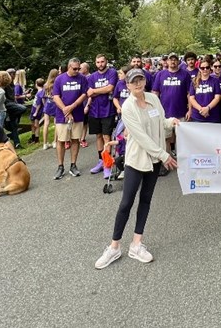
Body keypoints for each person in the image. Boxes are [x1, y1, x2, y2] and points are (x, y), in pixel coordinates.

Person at [94, 68, 179, 269]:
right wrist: (165, 155)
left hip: (154, 160)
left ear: (145, 81)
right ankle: (114, 247)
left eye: (140, 79)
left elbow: (161, 122)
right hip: (136, 160)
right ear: (128, 85)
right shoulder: (128, 107)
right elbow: (141, 137)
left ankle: (136, 244)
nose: (138, 84)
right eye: (134, 81)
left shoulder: (153, 99)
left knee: (146, 200)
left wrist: (172, 122)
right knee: (126, 202)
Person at [52, 58, 89, 180]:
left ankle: (73, 165)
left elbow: (84, 94)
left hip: (77, 114)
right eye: (75, 69)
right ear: (69, 67)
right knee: (61, 140)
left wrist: (72, 106)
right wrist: (65, 110)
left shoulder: (82, 78)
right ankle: (60, 166)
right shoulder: (59, 79)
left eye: (79, 68)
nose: (77, 71)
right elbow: (56, 96)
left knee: (75, 139)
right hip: (62, 115)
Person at [86, 54, 118, 175]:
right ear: (95, 63)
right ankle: (101, 160)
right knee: (98, 136)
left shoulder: (112, 73)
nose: (100, 64)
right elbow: (89, 93)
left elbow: (110, 88)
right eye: (98, 62)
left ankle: (107, 165)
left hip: (108, 110)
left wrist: (95, 91)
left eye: (102, 61)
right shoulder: (92, 77)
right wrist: (101, 90)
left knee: (106, 137)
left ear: (106, 62)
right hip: (94, 110)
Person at [188, 58, 221, 123]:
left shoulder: (215, 81)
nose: (205, 69)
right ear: (199, 69)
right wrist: (201, 109)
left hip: (212, 116)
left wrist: (208, 108)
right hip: (197, 116)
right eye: (202, 68)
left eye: (207, 67)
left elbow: (217, 98)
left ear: (210, 68)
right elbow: (191, 98)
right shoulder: (194, 81)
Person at [41, 69, 59, 150]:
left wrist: (45, 105)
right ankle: (55, 142)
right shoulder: (57, 84)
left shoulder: (46, 85)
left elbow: (43, 97)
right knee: (56, 123)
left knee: (46, 123)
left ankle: (45, 143)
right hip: (56, 104)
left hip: (48, 104)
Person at [29, 78, 45, 144]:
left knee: (36, 124)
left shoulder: (40, 92)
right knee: (33, 124)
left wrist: (36, 112)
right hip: (34, 108)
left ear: (36, 84)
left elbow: (39, 104)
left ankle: (36, 139)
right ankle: (33, 137)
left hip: (36, 110)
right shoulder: (41, 91)